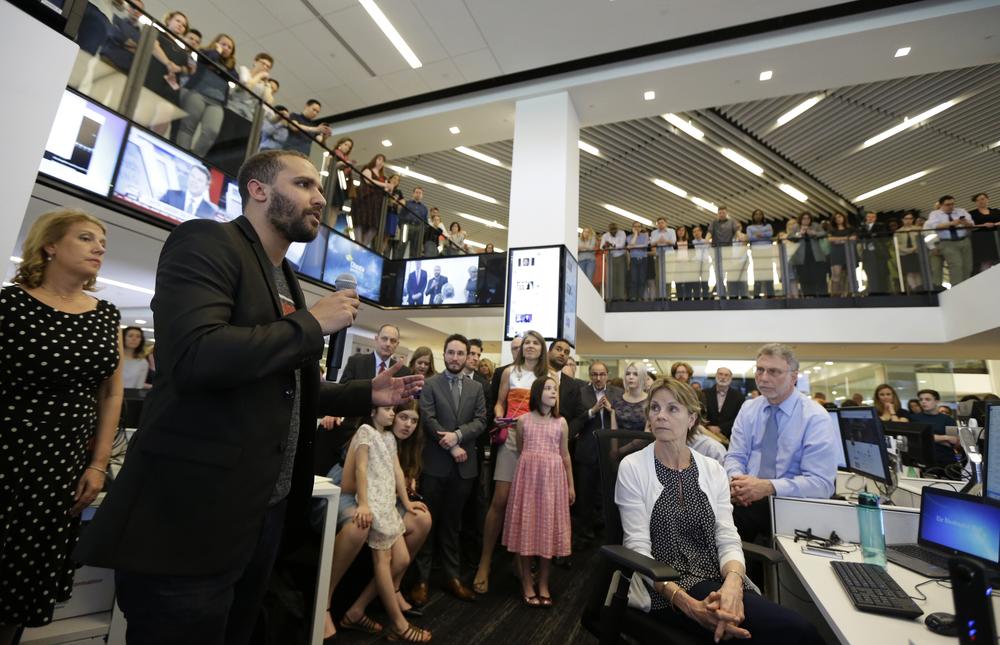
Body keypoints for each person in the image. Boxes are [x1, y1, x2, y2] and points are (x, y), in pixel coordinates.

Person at [74, 150, 423, 645]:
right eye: (304, 185)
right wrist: (310, 324)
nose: (320, 198)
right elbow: (195, 355)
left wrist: (366, 392)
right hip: (193, 518)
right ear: (259, 191)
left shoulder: (286, 279)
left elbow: (280, 386)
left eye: (320, 189)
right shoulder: (205, 242)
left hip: (262, 516)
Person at [616, 378, 820, 643]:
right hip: (664, 588)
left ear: (691, 418)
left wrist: (733, 586)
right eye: (654, 408)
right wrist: (689, 605)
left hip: (720, 579)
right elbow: (637, 548)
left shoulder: (712, 468)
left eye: (672, 409)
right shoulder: (633, 467)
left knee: (796, 630)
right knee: (788, 632)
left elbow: (727, 536)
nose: (660, 416)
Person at [1, 210, 124, 641]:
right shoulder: (9, 304)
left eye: (102, 242)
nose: (99, 248)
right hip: (8, 455)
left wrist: (97, 463)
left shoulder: (105, 314)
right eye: (86, 238)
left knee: (21, 588)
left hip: (60, 469)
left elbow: (112, 394)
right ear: (50, 245)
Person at [323, 401, 431, 639]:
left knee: (401, 558)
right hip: (358, 494)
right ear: (374, 411)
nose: (406, 424)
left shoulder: (392, 440)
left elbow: (397, 474)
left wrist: (406, 500)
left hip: (384, 500)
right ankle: (397, 624)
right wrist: (364, 503)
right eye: (400, 416)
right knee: (367, 534)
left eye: (413, 420)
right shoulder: (366, 433)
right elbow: (358, 474)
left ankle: (360, 608)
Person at [724, 343, 838, 542]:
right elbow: (735, 456)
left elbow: (821, 484)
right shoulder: (749, 409)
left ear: (794, 377)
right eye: (760, 370)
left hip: (789, 505)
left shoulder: (814, 417)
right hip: (745, 500)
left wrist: (768, 487)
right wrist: (738, 483)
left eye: (774, 371)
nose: (764, 377)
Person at [412, 335, 487, 604]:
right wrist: (451, 445)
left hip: (464, 469)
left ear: (467, 356)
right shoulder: (430, 384)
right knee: (427, 523)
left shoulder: (476, 388)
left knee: (453, 525)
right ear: (443, 354)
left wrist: (457, 436)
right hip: (435, 464)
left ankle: (452, 577)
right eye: (451, 353)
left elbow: (481, 421)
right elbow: (428, 419)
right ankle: (421, 579)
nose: (455, 358)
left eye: (460, 353)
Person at [474, 330, 549, 594]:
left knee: (528, 505)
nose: (530, 346)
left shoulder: (547, 378)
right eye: (526, 343)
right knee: (500, 500)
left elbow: (552, 411)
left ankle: (521, 562)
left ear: (541, 349)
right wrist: (499, 416)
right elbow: (499, 403)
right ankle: (485, 562)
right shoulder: (508, 373)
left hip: (536, 445)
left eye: (535, 343)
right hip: (511, 441)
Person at [503, 376, 574, 607]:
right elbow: (523, 449)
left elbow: (565, 455)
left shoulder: (561, 422)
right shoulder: (523, 421)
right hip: (529, 481)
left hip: (553, 483)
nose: (554, 393)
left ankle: (543, 582)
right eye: (548, 388)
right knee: (527, 530)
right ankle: (526, 581)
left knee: (547, 532)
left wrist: (571, 485)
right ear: (537, 392)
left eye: (556, 389)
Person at [574, 360, 624, 543]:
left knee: (606, 493)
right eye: (594, 374)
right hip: (587, 448)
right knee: (586, 493)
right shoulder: (581, 393)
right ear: (590, 376)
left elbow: (625, 418)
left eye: (602, 374)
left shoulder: (618, 394)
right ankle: (585, 533)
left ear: (607, 376)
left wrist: (612, 411)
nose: (598, 378)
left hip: (610, 449)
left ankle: (605, 532)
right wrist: (592, 411)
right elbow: (576, 419)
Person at [176, 34, 239, 157]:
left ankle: (196, 156)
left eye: (229, 47)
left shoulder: (231, 67)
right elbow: (205, 58)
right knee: (188, 126)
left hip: (217, 102)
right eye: (223, 44)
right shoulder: (207, 52)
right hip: (197, 93)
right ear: (216, 43)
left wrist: (219, 67)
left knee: (212, 132)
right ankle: (181, 152)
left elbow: (235, 78)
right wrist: (216, 51)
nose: (226, 48)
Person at [924, 195, 975, 287]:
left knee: (968, 265)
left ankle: (967, 285)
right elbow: (935, 227)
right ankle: (956, 287)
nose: (950, 206)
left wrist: (965, 223)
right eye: (947, 204)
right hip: (947, 242)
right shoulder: (935, 214)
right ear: (941, 205)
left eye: (952, 204)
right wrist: (953, 223)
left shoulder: (961, 211)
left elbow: (972, 225)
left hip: (964, 240)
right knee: (956, 265)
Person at [909, 389, 961, 467]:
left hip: (946, 461)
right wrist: (945, 437)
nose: (923, 402)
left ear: (937, 401)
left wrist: (931, 438)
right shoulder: (913, 418)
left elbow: (954, 442)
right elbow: (915, 438)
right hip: (923, 462)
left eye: (927, 399)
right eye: (921, 399)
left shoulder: (947, 419)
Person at [340, 324, 411, 381]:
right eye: (384, 339)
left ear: (397, 344)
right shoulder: (356, 362)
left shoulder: (403, 372)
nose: (388, 344)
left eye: (393, 341)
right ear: (376, 339)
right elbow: (343, 391)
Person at [228, 52, 275, 121]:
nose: (265, 67)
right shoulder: (244, 70)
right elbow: (247, 86)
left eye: (268, 67)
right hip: (233, 108)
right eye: (263, 63)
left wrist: (267, 85)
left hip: (248, 116)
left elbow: (268, 101)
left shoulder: (265, 85)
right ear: (255, 62)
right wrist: (260, 75)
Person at [704, 367, 743, 442]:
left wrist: (721, 428)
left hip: (730, 437)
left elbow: (739, 418)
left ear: (731, 378)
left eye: (726, 375)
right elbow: (700, 413)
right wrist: (708, 427)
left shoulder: (739, 397)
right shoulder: (704, 394)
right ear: (716, 376)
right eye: (720, 374)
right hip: (707, 435)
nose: (723, 377)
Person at [857, 212, 890, 295]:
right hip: (867, 253)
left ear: (875, 218)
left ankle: (883, 291)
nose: (870, 218)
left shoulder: (880, 226)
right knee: (870, 273)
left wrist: (870, 235)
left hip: (879, 253)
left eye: (872, 217)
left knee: (881, 273)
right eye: (869, 217)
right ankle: (873, 291)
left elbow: (882, 236)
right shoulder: (862, 227)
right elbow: (860, 237)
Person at [746, 209, 775, 298]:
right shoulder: (749, 227)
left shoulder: (768, 225)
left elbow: (770, 234)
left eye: (760, 214)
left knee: (769, 272)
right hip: (756, 251)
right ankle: (756, 294)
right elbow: (750, 238)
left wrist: (758, 235)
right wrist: (764, 234)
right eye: (756, 214)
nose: (758, 216)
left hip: (767, 251)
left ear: (762, 216)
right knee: (757, 272)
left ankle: (770, 293)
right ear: (753, 216)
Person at [613, 362, 649, 431]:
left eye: (635, 374)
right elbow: (613, 431)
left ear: (642, 377)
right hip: (621, 440)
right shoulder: (617, 400)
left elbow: (647, 433)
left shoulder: (649, 401)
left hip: (644, 441)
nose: (631, 377)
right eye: (628, 374)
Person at [970, 192, 1000, 274]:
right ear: (976, 202)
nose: (981, 201)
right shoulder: (972, 214)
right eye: (978, 200)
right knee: (986, 261)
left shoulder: (996, 211)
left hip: (997, 237)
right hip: (982, 240)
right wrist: (983, 225)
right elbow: (970, 226)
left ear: (987, 199)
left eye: (983, 199)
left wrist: (994, 224)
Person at [826, 212, 855, 297]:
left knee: (849, 275)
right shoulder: (832, 229)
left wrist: (838, 240)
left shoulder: (850, 228)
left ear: (844, 217)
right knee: (836, 275)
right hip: (836, 253)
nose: (838, 219)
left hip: (848, 252)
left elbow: (854, 238)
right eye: (836, 217)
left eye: (840, 217)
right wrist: (846, 238)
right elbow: (830, 239)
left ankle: (849, 295)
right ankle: (835, 296)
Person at [896, 212, 925, 292]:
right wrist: (908, 250)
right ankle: (914, 289)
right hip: (905, 255)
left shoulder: (918, 229)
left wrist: (915, 248)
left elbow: (922, 240)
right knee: (909, 272)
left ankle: (920, 289)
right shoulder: (898, 231)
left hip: (917, 253)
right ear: (902, 220)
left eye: (910, 218)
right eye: (906, 219)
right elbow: (897, 245)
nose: (908, 220)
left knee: (918, 272)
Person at [601, 222, 627, 300]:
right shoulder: (605, 235)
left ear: (617, 229)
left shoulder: (622, 233)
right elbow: (601, 247)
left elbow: (621, 245)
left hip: (621, 256)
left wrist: (611, 244)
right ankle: (611, 297)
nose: (613, 231)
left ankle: (621, 297)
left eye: (615, 229)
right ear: (608, 230)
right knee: (611, 277)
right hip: (610, 257)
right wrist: (607, 245)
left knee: (620, 277)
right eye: (611, 230)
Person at [627, 222, 649, 301]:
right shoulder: (629, 237)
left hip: (643, 259)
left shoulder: (645, 236)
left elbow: (645, 246)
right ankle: (633, 297)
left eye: (639, 226)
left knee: (642, 279)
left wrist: (633, 246)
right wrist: (635, 235)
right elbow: (630, 245)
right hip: (634, 259)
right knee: (633, 279)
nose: (637, 228)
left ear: (641, 228)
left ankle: (640, 297)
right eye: (635, 226)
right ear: (632, 228)